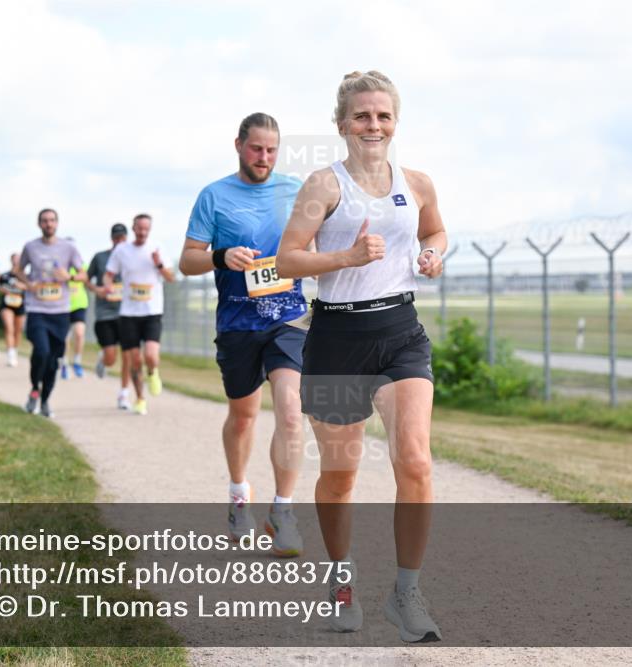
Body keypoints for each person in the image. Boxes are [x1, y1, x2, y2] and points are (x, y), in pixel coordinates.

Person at [275, 71, 447, 642]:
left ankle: (406, 592)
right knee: (341, 473)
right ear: (342, 123)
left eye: (383, 116)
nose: (373, 125)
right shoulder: (323, 186)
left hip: (401, 332)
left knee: (416, 461)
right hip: (335, 340)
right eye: (362, 116)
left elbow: (437, 232)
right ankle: (341, 580)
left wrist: (431, 253)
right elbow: (289, 261)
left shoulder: (417, 182)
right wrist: (346, 256)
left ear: (395, 122)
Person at [179, 112, 307, 556]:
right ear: (238, 145)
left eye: (272, 150)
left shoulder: (295, 190)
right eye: (257, 149)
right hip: (237, 321)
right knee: (244, 416)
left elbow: (319, 240)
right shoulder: (213, 196)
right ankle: (238, 496)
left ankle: (283, 512)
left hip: (289, 317)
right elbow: (187, 261)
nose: (264, 158)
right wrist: (221, 256)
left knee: (291, 412)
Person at [14, 208, 86, 418]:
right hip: (37, 309)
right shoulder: (31, 247)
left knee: (54, 360)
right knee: (41, 352)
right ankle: (34, 388)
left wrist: (69, 277)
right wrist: (29, 284)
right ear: (39, 224)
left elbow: (83, 275)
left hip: (60, 311)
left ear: (57, 223)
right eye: (44, 221)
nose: (48, 224)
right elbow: (18, 270)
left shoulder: (68, 248)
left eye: (52, 220)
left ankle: (44, 400)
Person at [103, 214, 174, 415]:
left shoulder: (157, 248)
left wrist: (159, 264)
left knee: (150, 355)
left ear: (149, 230)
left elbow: (170, 278)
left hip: (152, 311)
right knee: (134, 360)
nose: (142, 232)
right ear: (133, 228)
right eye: (139, 228)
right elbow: (108, 274)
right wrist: (108, 287)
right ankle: (140, 398)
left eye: (146, 229)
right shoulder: (121, 250)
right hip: (129, 313)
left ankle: (153, 372)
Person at [87, 223, 133, 409]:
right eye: (116, 238)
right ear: (111, 239)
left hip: (128, 312)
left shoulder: (132, 257)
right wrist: (97, 289)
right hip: (105, 313)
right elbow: (86, 279)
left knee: (128, 355)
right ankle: (103, 359)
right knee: (111, 357)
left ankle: (123, 394)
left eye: (123, 238)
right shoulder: (100, 257)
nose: (119, 241)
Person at [0, 253, 27, 367]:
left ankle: (14, 350)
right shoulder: (5, 275)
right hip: (7, 305)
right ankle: (10, 353)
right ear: (11, 260)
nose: (16, 261)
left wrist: (21, 286)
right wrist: (5, 290)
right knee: (9, 327)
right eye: (14, 259)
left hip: (20, 304)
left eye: (18, 259)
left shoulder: (25, 276)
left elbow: (31, 287)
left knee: (18, 330)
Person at [61, 262, 89, 379]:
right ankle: (64, 364)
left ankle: (77, 362)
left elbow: (88, 279)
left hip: (79, 304)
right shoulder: (60, 265)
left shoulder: (82, 266)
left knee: (79, 333)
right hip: (62, 305)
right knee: (65, 338)